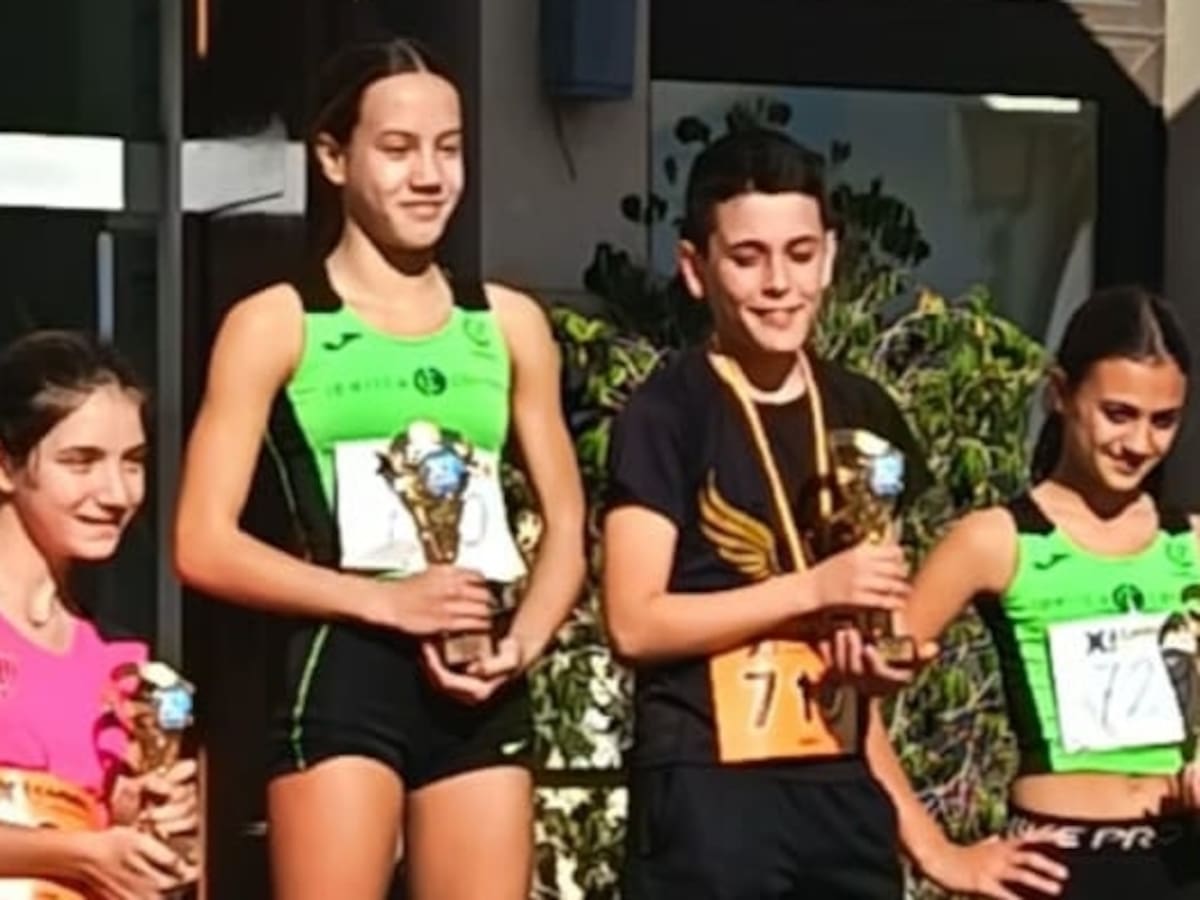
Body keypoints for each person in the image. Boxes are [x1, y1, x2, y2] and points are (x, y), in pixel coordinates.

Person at [173, 37, 586, 900]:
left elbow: (566, 526)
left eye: (449, 148)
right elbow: (202, 543)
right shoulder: (277, 323)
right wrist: (384, 602)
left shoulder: (507, 323)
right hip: (344, 667)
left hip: (477, 671)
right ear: (334, 158)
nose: (429, 176)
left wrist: (522, 643)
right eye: (398, 150)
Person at [602, 126, 930, 899]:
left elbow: (882, 601)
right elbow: (634, 622)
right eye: (748, 258)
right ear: (696, 269)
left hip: (838, 777)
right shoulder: (667, 412)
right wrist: (811, 591)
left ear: (831, 256)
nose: (780, 283)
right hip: (709, 782)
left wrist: (885, 656)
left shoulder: (865, 409)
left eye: (800, 253)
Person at [871, 286, 1200, 899]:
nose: (1139, 444)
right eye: (1118, 414)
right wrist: (935, 851)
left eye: (1164, 421)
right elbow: (849, 699)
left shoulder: (1191, 543)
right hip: (1055, 867)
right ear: (1061, 394)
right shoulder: (996, 540)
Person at [0, 330, 198, 900]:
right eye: (81, 461)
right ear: (6, 466)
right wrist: (81, 853)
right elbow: (86, 855)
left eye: (133, 463)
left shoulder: (123, 664)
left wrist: (146, 828)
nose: (116, 493)